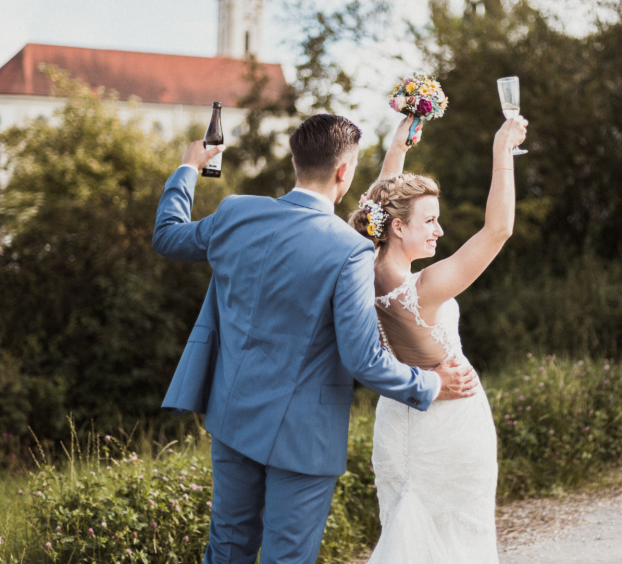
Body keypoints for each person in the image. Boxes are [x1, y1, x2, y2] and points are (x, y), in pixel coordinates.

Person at [153, 113, 479, 564]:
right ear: (344, 173)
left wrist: (188, 167)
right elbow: (363, 359)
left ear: (294, 160)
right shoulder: (348, 251)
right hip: (302, 439)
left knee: (226, 549)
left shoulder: (235, 213)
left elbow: (168, 236)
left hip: (231, 415)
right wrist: (432, 385)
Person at [348, 112, 528, 563]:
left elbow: (382, 199)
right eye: (430, 220)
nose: (439, 230)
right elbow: (499, 230)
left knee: (409, 534)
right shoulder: (423, 290)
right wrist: (502, 151)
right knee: (452, 543)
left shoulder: (367, 267)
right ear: (398, 227)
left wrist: (399, 146)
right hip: (445, 431)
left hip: (399, 423)